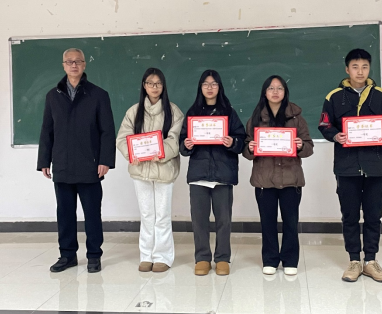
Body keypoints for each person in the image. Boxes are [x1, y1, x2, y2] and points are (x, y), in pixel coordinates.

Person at [318, 48, 382, 283]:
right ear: (347, 69)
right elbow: (324, 125)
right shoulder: (334, 97)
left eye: (364, 67)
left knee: (374, 214)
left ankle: (371, 261)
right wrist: (335, 135)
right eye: (355, 67)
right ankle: (354, 260)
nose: (360, 71)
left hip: (375, 166)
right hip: (347, 166)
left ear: (369, 68)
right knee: (350, 215)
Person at [37, 48, 116, 274]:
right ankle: (67, 255)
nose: (74, 65)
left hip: (90, 165)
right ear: (63, 65)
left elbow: (107, 131)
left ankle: (94, 256)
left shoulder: (98, 95)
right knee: (64, 214)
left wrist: (105, 160)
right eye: (69, 62)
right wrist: (44, 160)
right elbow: (47, 131)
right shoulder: (53, 96)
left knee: (92, 214)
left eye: (78, 61)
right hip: (62, 164)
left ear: (84, 64)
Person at [243, 75, 314, 277]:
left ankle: (290, 260)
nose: (275, 92)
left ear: (285, 92)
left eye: (280, 88)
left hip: (291, 179)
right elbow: (246, 149)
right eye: (271, 88)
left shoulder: (297, 118)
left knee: (291, 222)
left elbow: (309, 147)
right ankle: (270, 259)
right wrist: (250, 148)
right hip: (264, 180)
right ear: (264, 92)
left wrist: (300, 146)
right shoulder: (255, 119)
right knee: (268, 223)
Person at [116, 68, 184, 273]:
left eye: (158, 83)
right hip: (140, 171)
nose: (154, 87)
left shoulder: (173, 111)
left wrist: (161, 153)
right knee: (146, 215)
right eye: (150, 83)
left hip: (164, 170)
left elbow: (175, 139)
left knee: (162, 215)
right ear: (144, 86)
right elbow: (122, 138)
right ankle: (146, 255)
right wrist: (132, 154)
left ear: (163, 86)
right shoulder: (133, 111)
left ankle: (162, 256)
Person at [180, 70, 246, 277]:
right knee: (199, 220)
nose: (210, 87)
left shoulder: (229, 112)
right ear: (200, 87)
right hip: (199, 174)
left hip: (223, 174)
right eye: (206, 84)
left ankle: (222, 258)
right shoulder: (192, 112)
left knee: (223, 219)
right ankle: (202, 257)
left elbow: (241, 140)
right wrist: (186, 145)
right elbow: (182, 143)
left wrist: (232, 142)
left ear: (220, 87)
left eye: (214, 84)